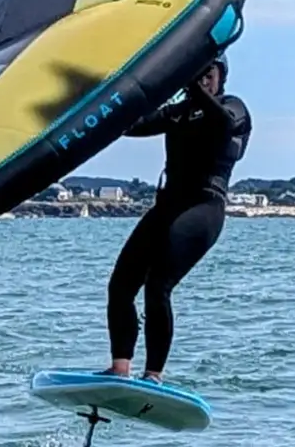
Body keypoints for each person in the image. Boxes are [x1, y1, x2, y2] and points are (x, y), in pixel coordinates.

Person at [100, 52, 250, 383]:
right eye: (198, 73)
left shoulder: (233, 107)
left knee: (158, 285)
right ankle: (120, 369)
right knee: (121, 285)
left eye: (209, 74)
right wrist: (105, 98)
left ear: (221, 77)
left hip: (203, 207)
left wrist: (190, 82)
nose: (204, 80)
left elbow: (223, 125)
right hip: (167, 206)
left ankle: (153, 375)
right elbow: (131, 125)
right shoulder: (179, 112)